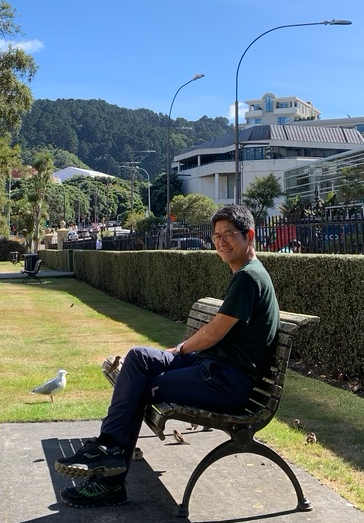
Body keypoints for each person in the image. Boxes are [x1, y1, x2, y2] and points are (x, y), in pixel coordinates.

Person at [54, 204, 280, 508]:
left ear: (249, 235)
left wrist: (180, 350)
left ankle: (110, 479)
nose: (222, 241)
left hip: (226, 382)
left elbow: (214, 332)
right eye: (216, 236)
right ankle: (106, 449)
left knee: (142, 385)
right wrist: (180, 352)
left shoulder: (249, 277)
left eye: (229, 234)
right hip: (211, 368)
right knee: (138, 359)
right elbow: (217, 334)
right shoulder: (245, 274)